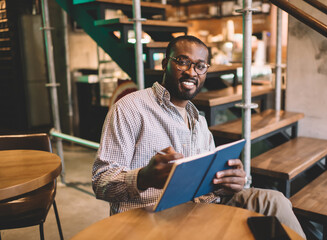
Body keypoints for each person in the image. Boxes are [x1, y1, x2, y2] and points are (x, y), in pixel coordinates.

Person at [92, 35, 306, 238]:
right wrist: (143, 177)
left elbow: (208, 183)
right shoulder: (130, 108)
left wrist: (231, 181)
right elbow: (101, 182)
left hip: (204, 207)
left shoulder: (199, 121)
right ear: (164, 63)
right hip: (151, 216)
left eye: (200, 66)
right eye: (182, 62)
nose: (191, 72)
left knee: (274, 201)